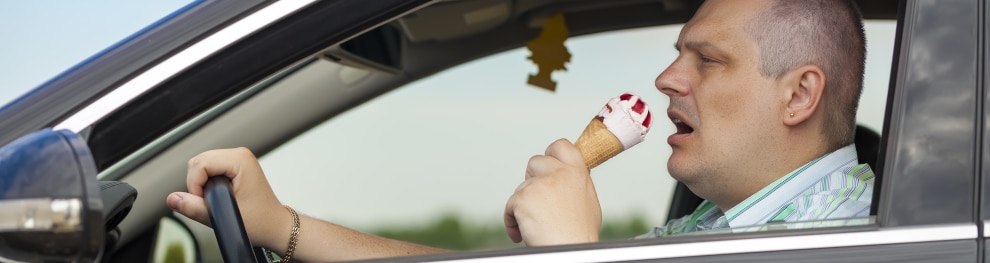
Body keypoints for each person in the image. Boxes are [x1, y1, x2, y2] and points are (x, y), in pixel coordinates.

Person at [166, 0, 873, 261]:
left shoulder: (860, 235)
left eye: (707, 58)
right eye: (676, 50)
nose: (667, 78)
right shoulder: (718, 226)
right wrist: (280, 223)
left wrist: (571, 254)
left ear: (800, 93)